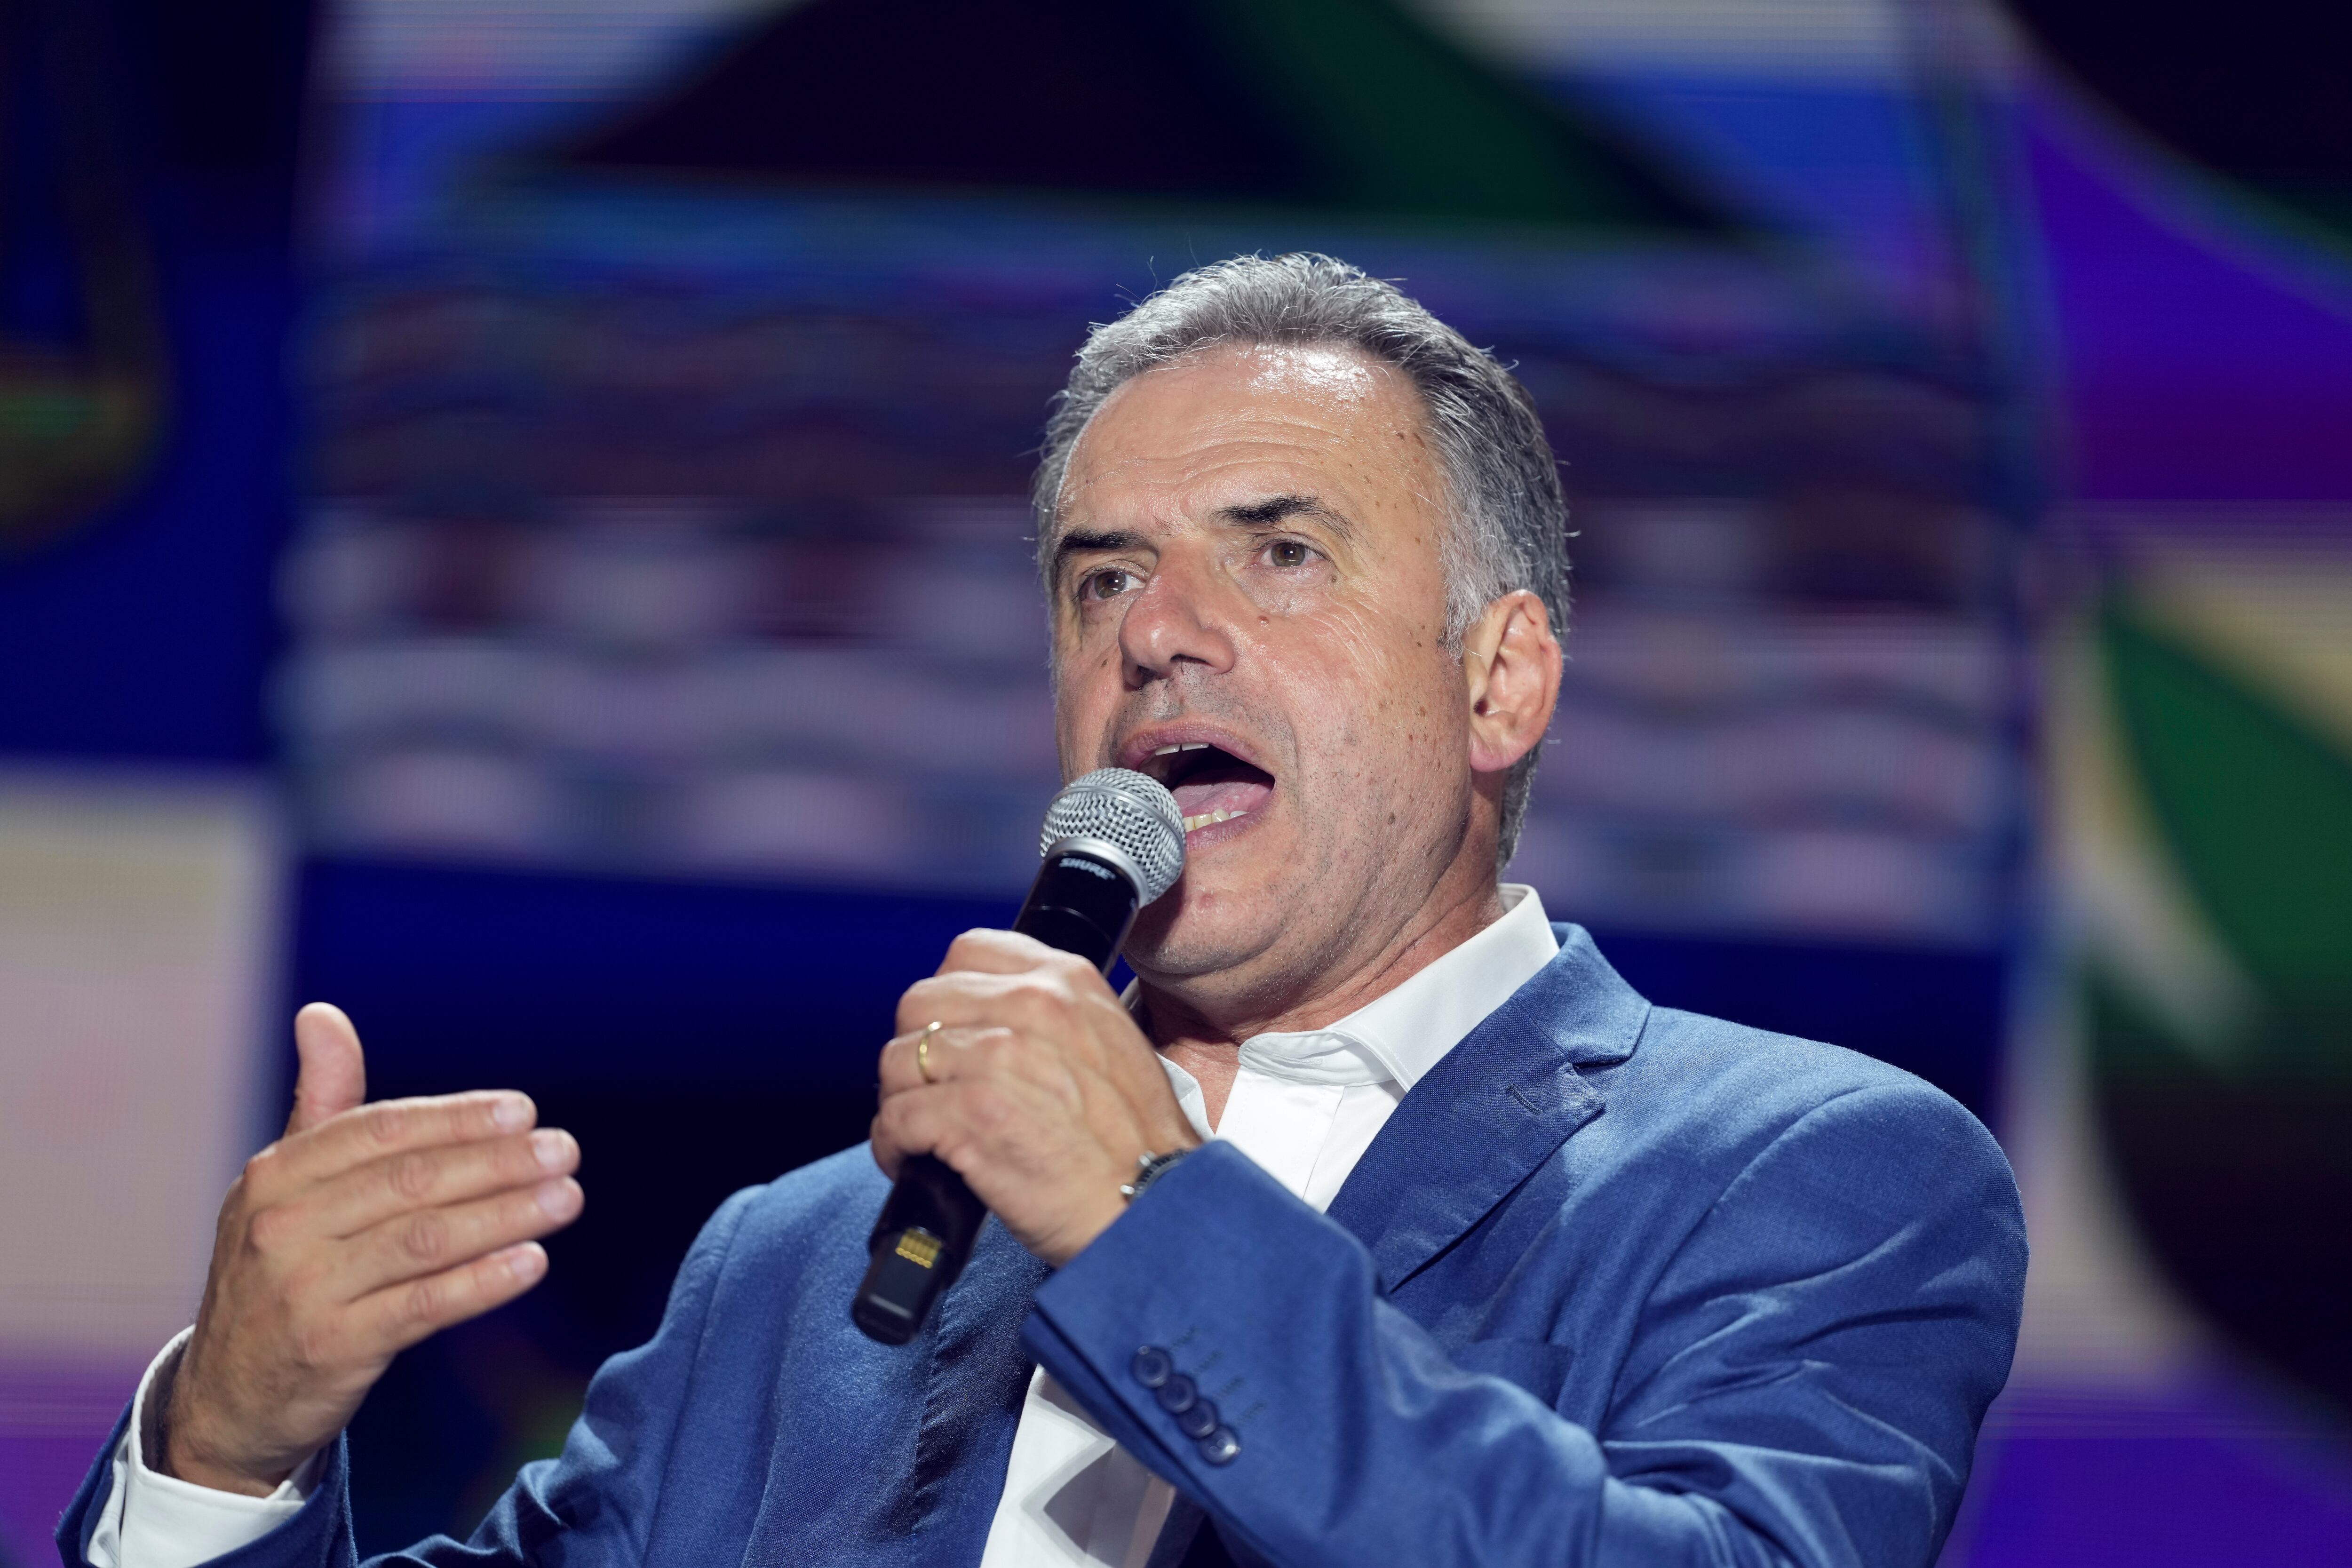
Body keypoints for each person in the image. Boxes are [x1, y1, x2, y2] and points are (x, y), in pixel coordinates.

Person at [60, 254, 2025, 1568]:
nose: (1159, 632)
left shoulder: (1808, 1174)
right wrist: (221, 1451)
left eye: (1279, 552)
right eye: (1101, 580)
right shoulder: (804, 1260)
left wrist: (1145, 1222)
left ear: (1500, 680)